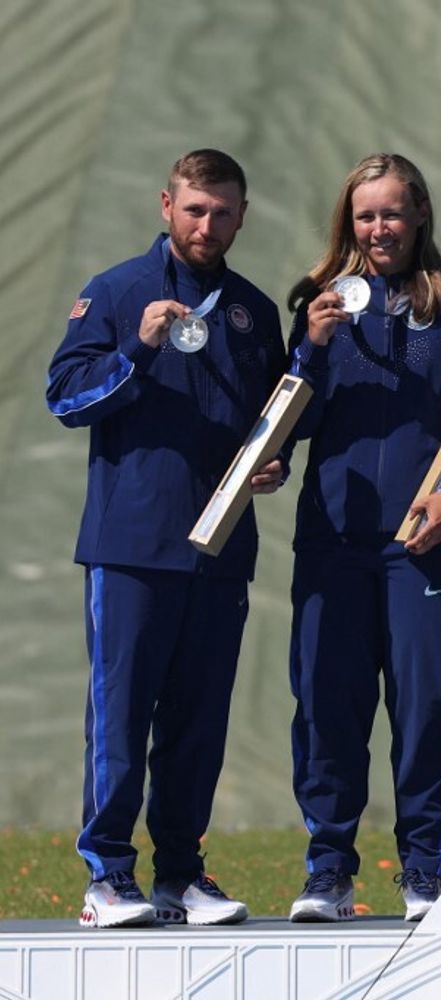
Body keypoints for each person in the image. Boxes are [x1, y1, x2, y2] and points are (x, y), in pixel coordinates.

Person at [46, 149, 285, 927]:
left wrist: (271, 465)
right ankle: (107, 876)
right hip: (132, 545)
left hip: (218, 550)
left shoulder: (253, 311)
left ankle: (181, 875)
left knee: (198, 719)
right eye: (194, 209)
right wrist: (137, 347)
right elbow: (67, 400)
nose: (207, 225)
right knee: (120, 714)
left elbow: (269, 422)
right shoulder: (117, 293)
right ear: (165, 205)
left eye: (222, 212)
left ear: (242, 215)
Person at [284, 153, 441, 922]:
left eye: (391, 213)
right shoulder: (320, 309)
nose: (378, 228)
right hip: (333, 543)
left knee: (425, 707)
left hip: (424, 546)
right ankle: (328, 872)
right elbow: (290, 425)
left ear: (419, 215)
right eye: (364, 215)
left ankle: (423, 869)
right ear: (346, 223)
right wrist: (312, 348)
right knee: (327, 707)